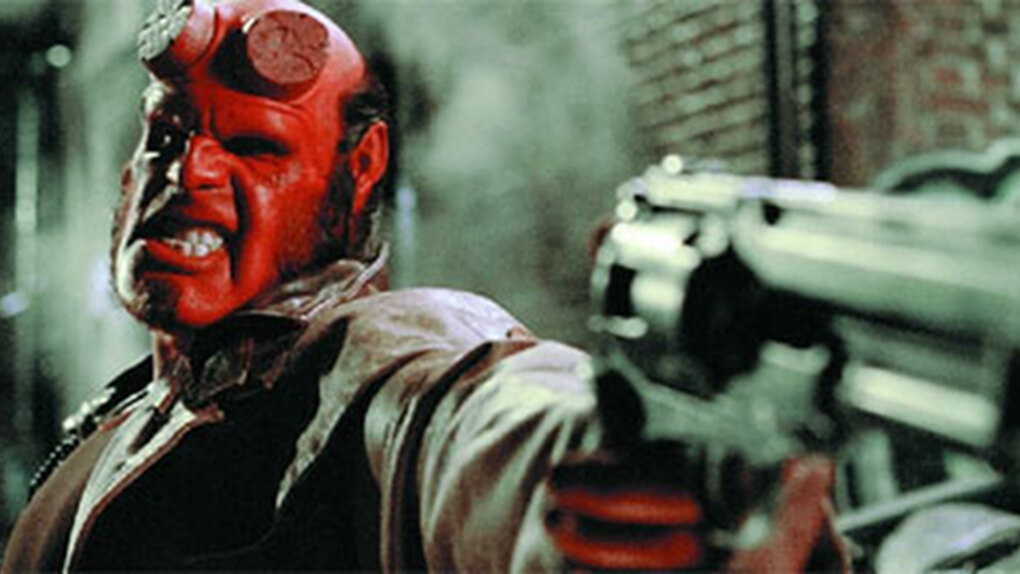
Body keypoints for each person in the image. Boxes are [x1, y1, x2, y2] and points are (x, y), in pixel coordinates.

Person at [1, 0, 844, 571]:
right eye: (166, 136)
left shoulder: (383, 361)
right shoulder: (145, 401)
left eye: (257, 148)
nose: (189, 173)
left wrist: (618, 474)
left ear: (359, 171)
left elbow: (487, 421)